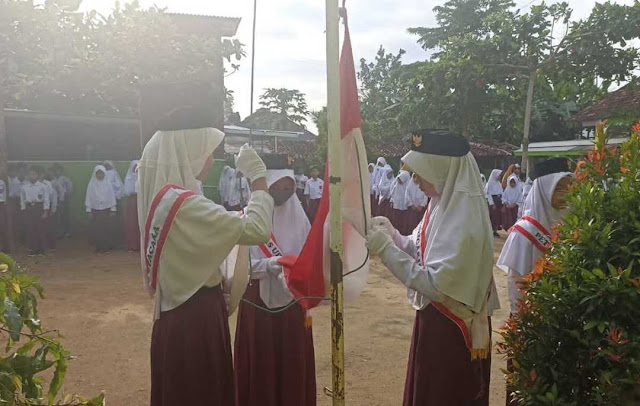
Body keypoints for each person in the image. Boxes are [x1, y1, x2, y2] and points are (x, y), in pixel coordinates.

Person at [137, 123, 273, 406]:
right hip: (196, 319)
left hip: (177, 315)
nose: (210, 160)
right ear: (186, 153)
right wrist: (259, 178)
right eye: (206, 152)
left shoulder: (166, 199)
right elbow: (258, 229)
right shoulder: (183, 205)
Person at [367, 129, 496, 406]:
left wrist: (386, 250)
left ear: (441, 169)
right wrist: (392, 234)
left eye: (419, 172)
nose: (415, 180)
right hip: (435, 322)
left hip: (452, 329)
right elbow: (419, 249)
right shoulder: (439, 204)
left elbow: (434, 284)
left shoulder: (466, 219)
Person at [234, 166, 316, 406]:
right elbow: (241, 267)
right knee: (261, 359)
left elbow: (309, 261)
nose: (283, 191)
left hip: (292, 303)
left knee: (291, 358)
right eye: (277, 186)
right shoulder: (248, 219)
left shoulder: (300, 218)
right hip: (258, 302)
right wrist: (271, 264)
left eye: (288, 187)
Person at [497, 159, 572, 406]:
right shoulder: (525, 232)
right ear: (543, 190)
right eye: (559, 188)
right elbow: (515, 283)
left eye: (569, 187)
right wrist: (525, 324)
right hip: (533, 323)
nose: (566, 194)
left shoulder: (574, 224)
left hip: (565, 321)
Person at [85, 165, 117, 254]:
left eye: (101, 174)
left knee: (106, 228)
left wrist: (113, 209)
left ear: (104, 174)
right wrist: (89, 210)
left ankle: (106, 247)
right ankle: (98, 247)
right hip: (95, 209)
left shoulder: (108, 183)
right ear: (95, 174)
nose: (100, 175)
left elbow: (111, 196)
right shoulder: (91, 184)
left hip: (106, 209)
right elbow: (89, 197)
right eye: (98, 174)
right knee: (97, 229)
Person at [21, 166, 50, 256]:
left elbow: (46, 199)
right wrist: (23, 210)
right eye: (30, 174)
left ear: (38, 175)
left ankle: (41, 249)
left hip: (39, 208)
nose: (32, 176)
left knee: (40, 229)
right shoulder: (24, 187)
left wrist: (45, 211)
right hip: (29, 208)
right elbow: (22, 200)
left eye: (34, 174)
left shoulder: (42, 186)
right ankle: (32, 249)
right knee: (31, 229)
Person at [123, 160, 140, 252]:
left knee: (141, 223)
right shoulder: (128, 178)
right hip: (132, 203)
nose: (136, 170)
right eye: (134, 168)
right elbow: (126, 191)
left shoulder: (143, 178)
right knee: (132, 224)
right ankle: (133, 245)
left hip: (142, 201)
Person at [52, 163, 73, 238]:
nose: (56, 172)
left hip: (64, 200)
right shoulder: (53, 181)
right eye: (55, 170)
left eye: (58, 170)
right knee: (57, 217)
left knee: (65, 216)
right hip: (55, 201)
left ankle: (67, 232)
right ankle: (59, 232)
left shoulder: (65, 179)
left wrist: (66, 197)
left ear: (61, 171)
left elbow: (70, 189)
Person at [41, 168, 59, 251]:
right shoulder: (28, 184)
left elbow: (53, 197)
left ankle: (51, 245)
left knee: (49, 228)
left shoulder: (48, 184)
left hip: (48, 208)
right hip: (37, 207)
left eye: (41, 174)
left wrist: (53, 209)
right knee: (39, 228)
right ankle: (41, 245)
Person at [390, 167, 411, 235]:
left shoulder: (405, 173)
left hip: (401, 201)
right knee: (396, 218)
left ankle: (398, 233)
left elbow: (400, 180)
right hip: (398, 200)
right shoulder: (404, 174)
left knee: (399, 219)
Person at [8, 163, 25, 244]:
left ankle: (22, 238)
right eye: (19, 171)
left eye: (23, 171)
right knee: (14, 221)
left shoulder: (26, 181)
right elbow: (11, 195)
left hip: (24, 203)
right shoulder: (12, 181)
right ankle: (15, 238)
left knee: (23, 221)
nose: (21, 173)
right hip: (13, 202)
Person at [485, 169, 504, 236]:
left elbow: (501, 192)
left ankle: (495, 230)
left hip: (498, 200)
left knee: (497, 217)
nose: (500, 177)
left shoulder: (499, 183)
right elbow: (488, 194)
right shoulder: (489, 184)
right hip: (493, 201)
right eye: (499, 175)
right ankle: (490, 231)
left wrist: (502, 202)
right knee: (492, 216)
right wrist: (492, 203)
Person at [0, 170, 8, 253]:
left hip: (1, 204)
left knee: (2, 226)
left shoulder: (1, 182)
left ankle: (3, 247)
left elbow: (4, 195)